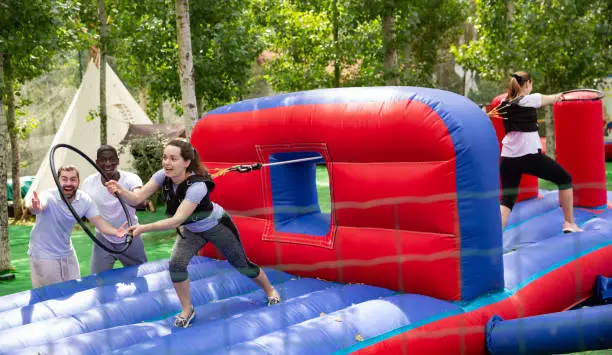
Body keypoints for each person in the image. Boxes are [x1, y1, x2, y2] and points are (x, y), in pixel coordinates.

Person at [105, 139, 281, 328]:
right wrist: (121, 190)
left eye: (173, 159)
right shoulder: (161, 176)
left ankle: (270, 290)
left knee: (241, 263)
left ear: (187, 162)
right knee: (176, 264)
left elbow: (176, 220)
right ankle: (187, 309)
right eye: (165, 157)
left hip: (216, 226)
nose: (166, 163)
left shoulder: (198, 186)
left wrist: (142, 229)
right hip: (192, 229)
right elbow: (137, 198)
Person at [494, 71, 582, 233]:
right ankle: (569, 223)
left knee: (506, 202)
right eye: (531, 84)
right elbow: (554, 98)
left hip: (507, 158)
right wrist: (562, 95)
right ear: (527, 84)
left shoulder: (504, 103)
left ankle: (492, 243)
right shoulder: (530, 99)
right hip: (529, 156)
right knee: (565, 179)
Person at [25, 165, 127, 288]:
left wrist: (116, 232)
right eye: (64, 179)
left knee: (75, 290)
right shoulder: (48, 195)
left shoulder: (84, 200)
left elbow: (100, 223)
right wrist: (35, 206)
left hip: (67, 252)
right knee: (50, 295)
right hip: (43, 254)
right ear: (58, 181)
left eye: (73, 179)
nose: (69, 183)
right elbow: (37, 207)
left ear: (78, 181)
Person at [81, 145, 147, 274]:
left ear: (118, 161)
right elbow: (82, 207)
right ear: (96, 162)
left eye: (112, 159)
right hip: (104, 238)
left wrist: (121, 192)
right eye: (103, 160)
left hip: (130, 235)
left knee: (141, 275)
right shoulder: (89, 183)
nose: (107, 163)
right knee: (98, 279)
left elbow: (140, 203)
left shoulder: (131, 179)